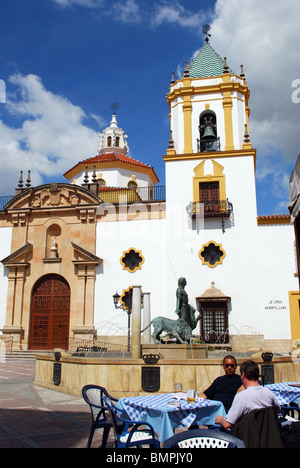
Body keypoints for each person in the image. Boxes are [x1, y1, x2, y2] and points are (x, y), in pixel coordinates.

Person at [215, 360, 280, 429]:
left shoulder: (242, 396)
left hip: (246, 437)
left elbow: (227, 424)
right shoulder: (268, 392)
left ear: (243, 375)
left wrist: (220, 419)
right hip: (267, 435)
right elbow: (278, 411)